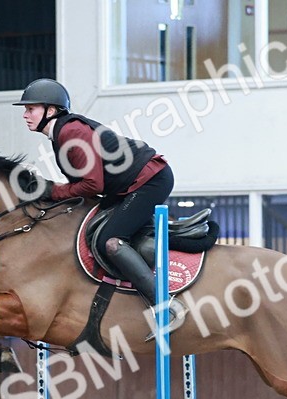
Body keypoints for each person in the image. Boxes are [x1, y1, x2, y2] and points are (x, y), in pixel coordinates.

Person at [13, 78, 185, 330]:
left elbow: (93, 186)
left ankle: (166, 306)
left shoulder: (70, 132)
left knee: (111, 241)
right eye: (26, 110)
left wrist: (53, 190)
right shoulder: (60, 133)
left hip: (150, 181)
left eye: (31, 109)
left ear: (50, 111)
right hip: (131, 184)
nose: (25, 115)